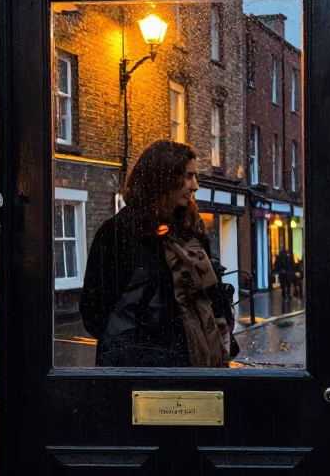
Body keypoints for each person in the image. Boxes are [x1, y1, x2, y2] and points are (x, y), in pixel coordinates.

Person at [80, 140, 237, 368]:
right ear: (163, 179)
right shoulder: (118, 232)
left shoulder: (190, 230)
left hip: (191, 366)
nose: (195, 186)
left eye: (195, 176)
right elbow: (94, 312)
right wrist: (138, 347)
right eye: (188, 176)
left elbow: (211, 295)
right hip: (136, 371)